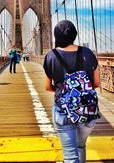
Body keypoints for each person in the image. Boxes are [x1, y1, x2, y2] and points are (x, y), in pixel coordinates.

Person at [43, 20, 100, 163]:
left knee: (70, 157)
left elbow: (47, 87)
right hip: (87, 110)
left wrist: (63, 90)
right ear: (75, 34)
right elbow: (97, 83)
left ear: (56, 36)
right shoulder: (88, 53)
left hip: (63, 109)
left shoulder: (51, 55)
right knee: (81, 146)